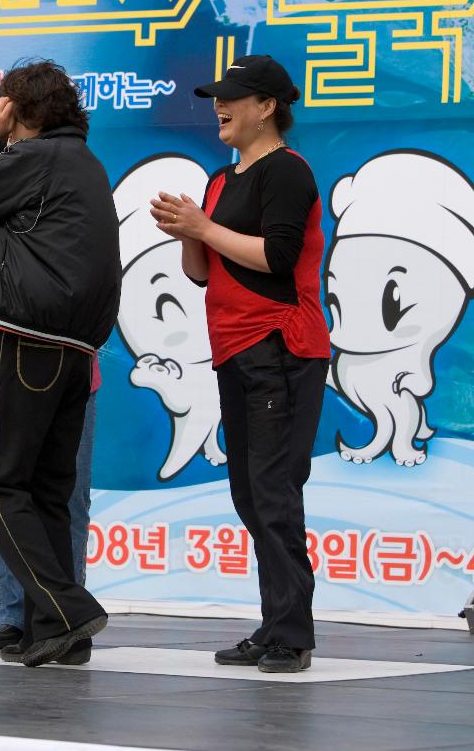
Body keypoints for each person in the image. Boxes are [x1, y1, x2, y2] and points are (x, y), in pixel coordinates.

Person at [150, 55, 329, 673]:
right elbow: (202, 273)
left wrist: (204, 225)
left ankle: (291, 634)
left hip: (281, 346)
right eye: (216, 97)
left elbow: (278, 258)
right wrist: (188, 233)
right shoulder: (221, 182)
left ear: (268, 107)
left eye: (232, 97)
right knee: (250, 491)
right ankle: (275, 622)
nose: (219, 107)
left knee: (274, 490)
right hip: (233, 348)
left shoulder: (287, 171)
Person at [0, 59, 120, 667]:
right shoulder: (85, 164)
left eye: (5, 104)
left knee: (0, 483)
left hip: (25, 344)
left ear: (21, 109)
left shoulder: (36, 157)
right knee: (47, 493)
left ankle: (67, 608)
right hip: (74, 354)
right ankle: (55, 631)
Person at [0, 319, 100, 665]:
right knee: (47, 495)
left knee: (5, 488)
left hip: (20, 349)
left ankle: (69, 611)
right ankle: (35, 622)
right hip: (63, 350)